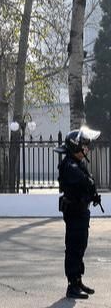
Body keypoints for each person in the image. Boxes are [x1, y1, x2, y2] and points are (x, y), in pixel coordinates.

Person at [54, 126, 103, 300]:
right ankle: (72, 286)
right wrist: (90, 189)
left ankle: (78, 280)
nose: (87, 148)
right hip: (74, 212)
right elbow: (84, 183)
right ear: (75, 146)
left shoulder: (79, 163)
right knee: (74, 248)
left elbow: (88, 184)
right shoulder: (69, 165)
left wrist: (93, 196)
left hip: (81, 212)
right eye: (84, 145)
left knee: (81, 246)